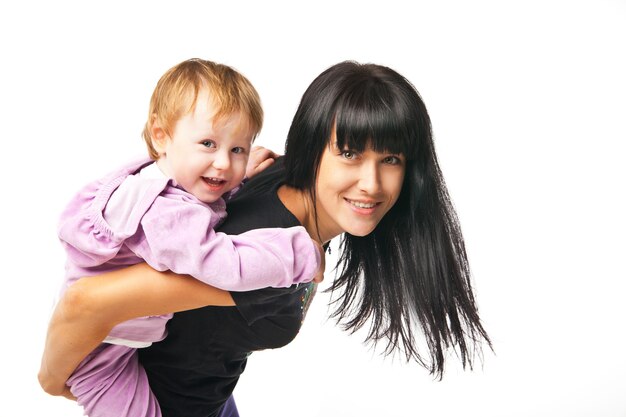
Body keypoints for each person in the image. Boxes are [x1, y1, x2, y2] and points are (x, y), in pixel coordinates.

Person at [39, 60, 492, 417]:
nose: (370, 183)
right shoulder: (251, 252)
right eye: (349, 153)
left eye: (390, 158)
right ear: (314, 148)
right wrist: (52, 379)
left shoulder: (269, 177)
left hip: (212, 399)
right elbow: (87, 302)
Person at [43, 58, 324, 417]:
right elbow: (224, 263)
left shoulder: (160, 174)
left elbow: (201, 205)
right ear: (161, 136)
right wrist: (300, 254)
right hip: (101, 362)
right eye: (208, 143)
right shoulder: (165, 214)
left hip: (121, 343)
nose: (223, 163)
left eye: (237, 148)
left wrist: (239, 181)